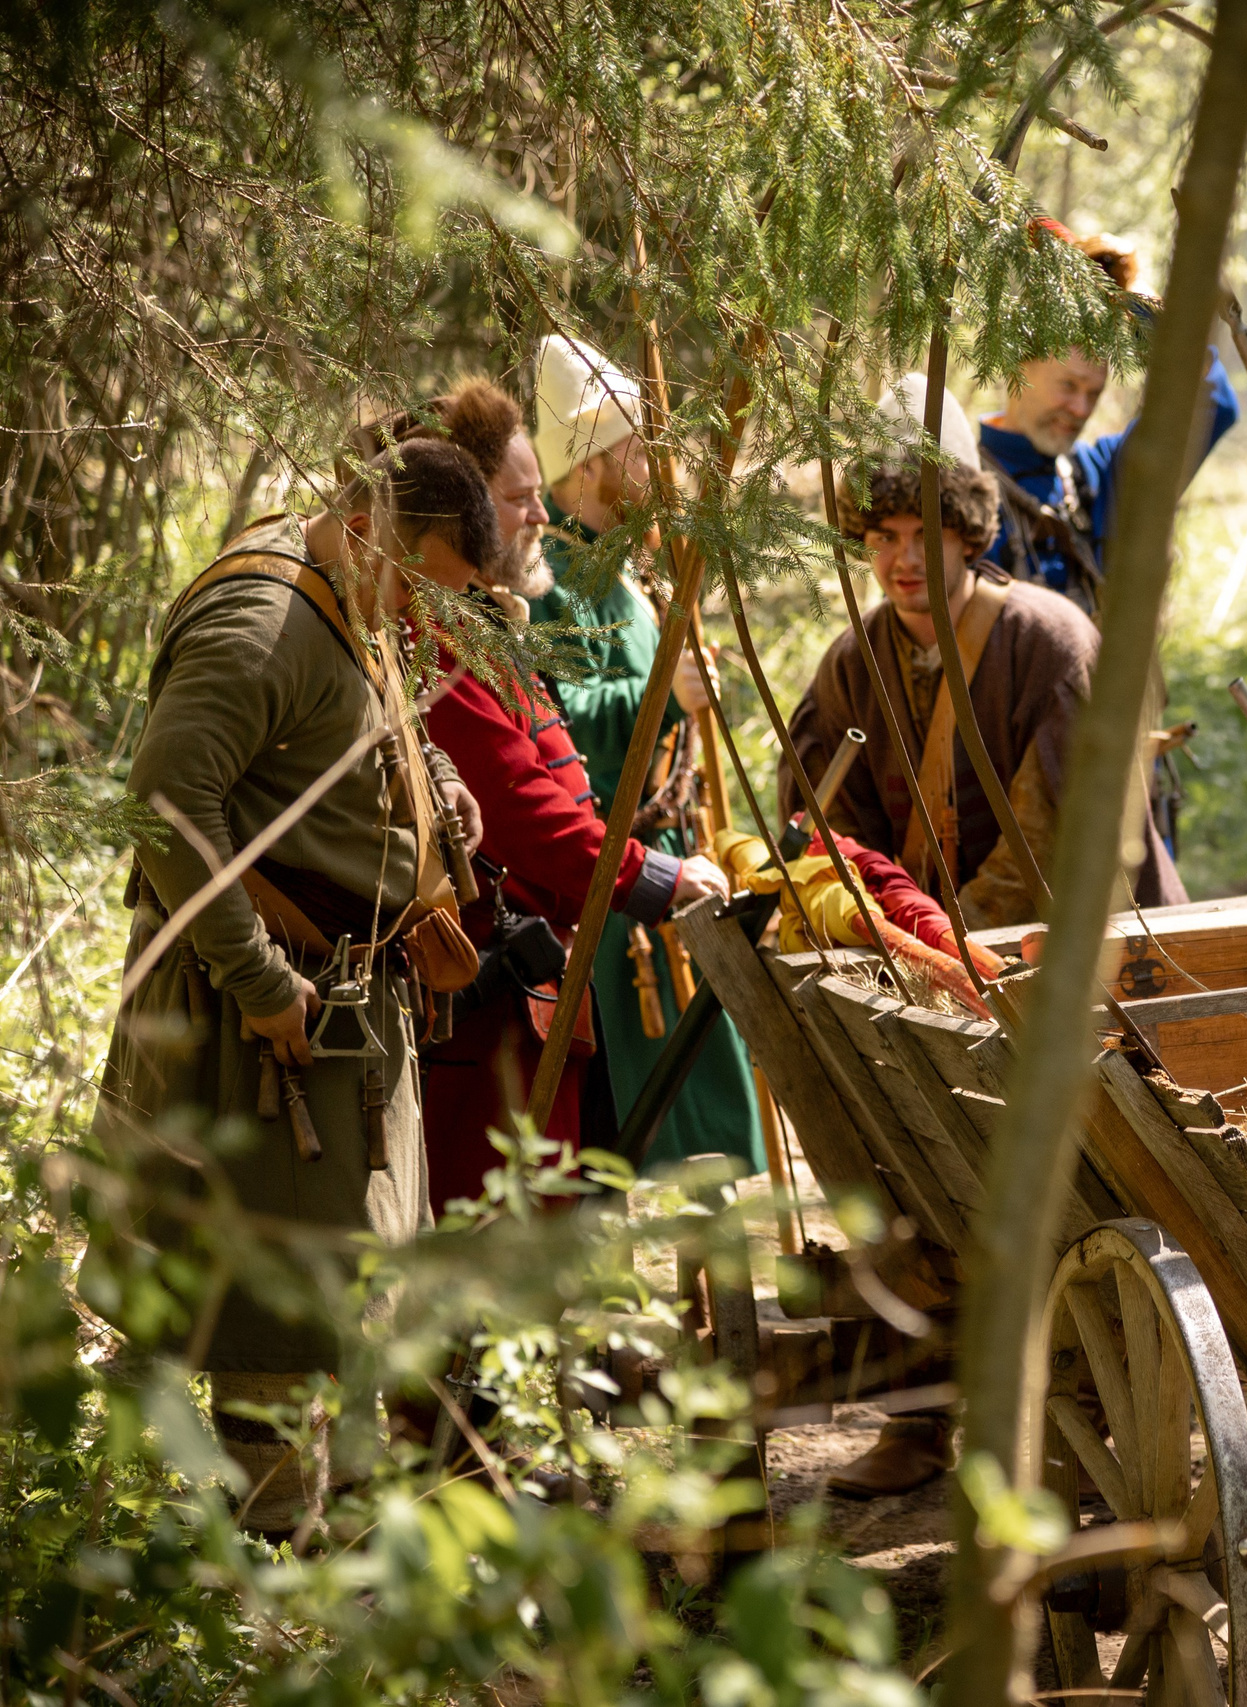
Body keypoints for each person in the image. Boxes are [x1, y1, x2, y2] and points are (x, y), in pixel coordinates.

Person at [97, 437, 491, 1527]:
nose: (420, 620)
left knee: (334, 1285)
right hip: (258, 1015)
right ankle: (272, 1553)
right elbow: (169, 804)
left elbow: (380, 712)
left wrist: (438, 791)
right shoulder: (261, 624)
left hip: (334, 997)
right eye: (423, 587)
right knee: (269, 1300)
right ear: (371, 527)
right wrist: (260, 979)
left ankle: (331, 1521)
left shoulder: (348, 585)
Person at [375, 380, 731, 1209]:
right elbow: (521, 807)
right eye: (520, 498)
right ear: (460, 507)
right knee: (498, 1225)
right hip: (481, 1003)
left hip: (530, 995)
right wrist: (658, 878)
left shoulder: (480, 622)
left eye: (541, 495)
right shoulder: (433, 640)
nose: (541, 517)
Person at [784, 375, 1185, 928]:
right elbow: (838, 837)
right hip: (931, 955)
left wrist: (949, 941)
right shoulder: (850, 666)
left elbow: (1051, 841)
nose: (904, 560)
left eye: (925, 533)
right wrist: (895, 932)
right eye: (884, 536)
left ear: (967, 535)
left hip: (1087, 955)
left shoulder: (1048, 642)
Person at [524, 334, 763, 1176]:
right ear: (587, 464)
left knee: (707, 1093)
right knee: (620, 1114)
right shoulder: (550, 578)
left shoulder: (629, 571)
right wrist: (662, 693)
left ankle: (718, 1283)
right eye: (633, 448)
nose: (653, 466)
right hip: (610, 868)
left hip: (669, 846)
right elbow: (556, 727)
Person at [976, 225, 1240, 612]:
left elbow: (1212, 405)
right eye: (1068, 385)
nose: (1081, 410)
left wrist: (1138, 313)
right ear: (1020, 364)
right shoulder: (962, 481)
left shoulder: (1100, 476)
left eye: (1093, 393)